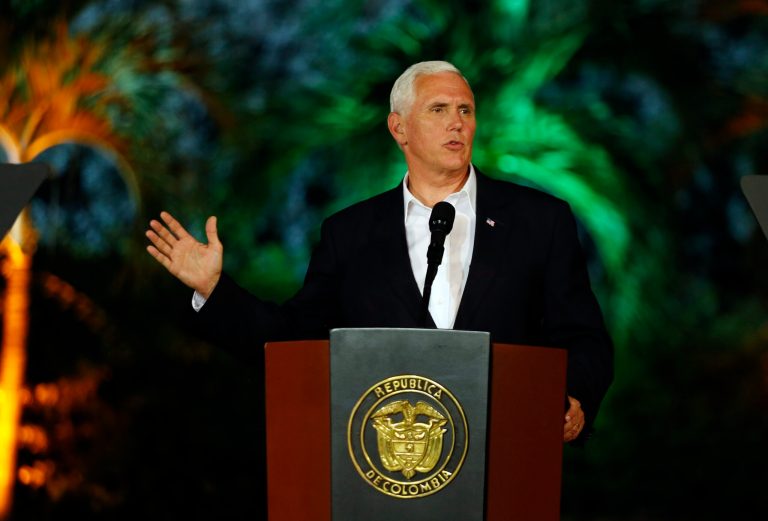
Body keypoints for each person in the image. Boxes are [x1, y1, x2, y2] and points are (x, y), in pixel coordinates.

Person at [146, 61, 613, 444]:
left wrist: (574, 396)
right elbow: (290, 342)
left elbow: (585, 335)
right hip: (384, 478)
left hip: (508, 463)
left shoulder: (538, 220)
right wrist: (214, 289)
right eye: (439, 109)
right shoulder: (349, 234)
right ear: (399, 127)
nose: (457, 122)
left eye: (466, 111)